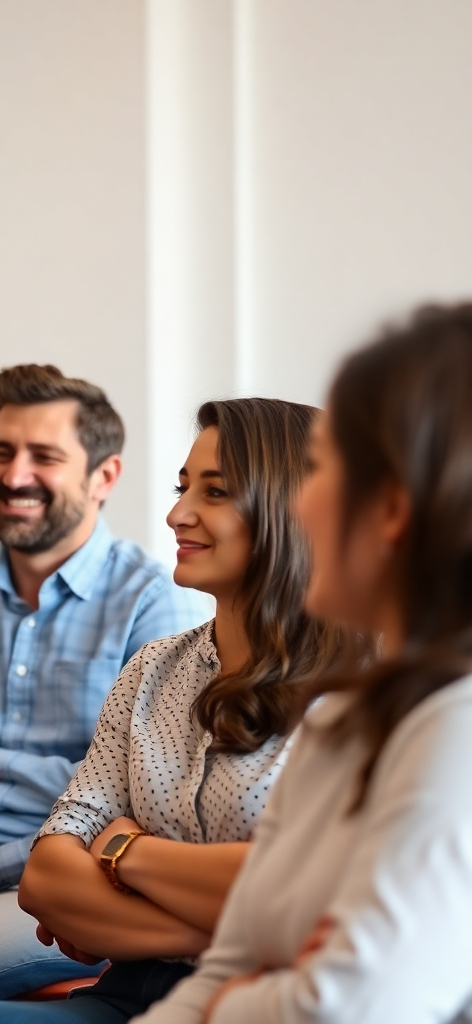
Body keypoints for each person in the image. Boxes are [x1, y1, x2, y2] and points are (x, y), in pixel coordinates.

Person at [0, 397, 356, 1023]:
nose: (175, 514)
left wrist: (124, 853)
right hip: (133, 988)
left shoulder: (358, 688)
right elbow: (48, 874)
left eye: (214, 493)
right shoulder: (154, 669)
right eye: (183, 487)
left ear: (293, 508)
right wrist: (219, 928)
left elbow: (301, 887)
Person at [134, 303, 472, 1024]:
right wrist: (256, 989)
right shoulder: (341, 722)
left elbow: (348, 1009)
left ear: (395, 508)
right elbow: (229, 962)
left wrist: (243, 1001)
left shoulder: (457, 729)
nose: (302, 503)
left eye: (326, 469)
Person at [0, 364, 211, 1000]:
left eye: (43, 456)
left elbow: (144, 802)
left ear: (104, 477)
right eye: (1, 452)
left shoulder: (155, 603)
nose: (15, 476)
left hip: (55, 888)